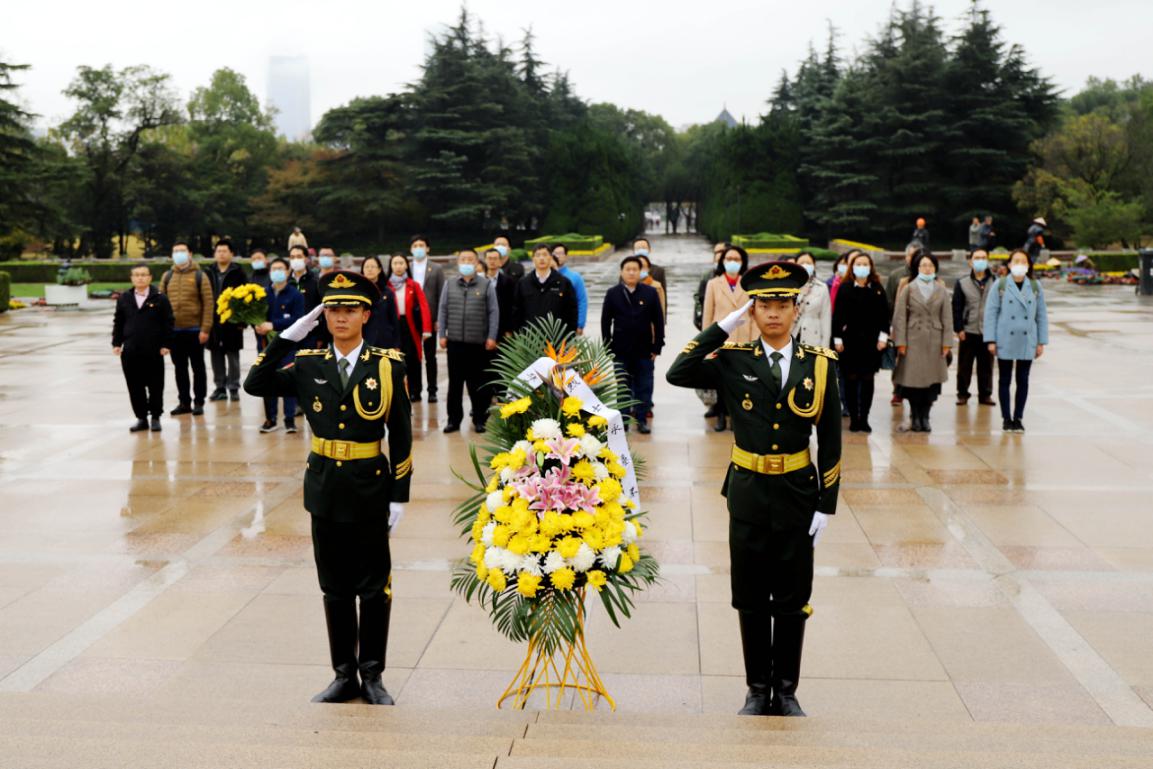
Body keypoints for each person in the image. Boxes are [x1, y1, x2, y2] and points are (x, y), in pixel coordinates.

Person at [667, 261, 841, 719]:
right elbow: (678, 371)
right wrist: (724, 325)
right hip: (747, 493)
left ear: (796, 308)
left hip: (797, 494)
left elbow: (832, 439)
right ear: (754, 309)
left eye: (782, 303)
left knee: (791, 597)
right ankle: (755, 687)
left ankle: (785, 690)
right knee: (749, 595)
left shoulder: (819, 366)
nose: (774, 313)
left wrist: (827, 503)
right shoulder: (733, 360)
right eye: (764, 304)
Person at [244, 270, 412, 706]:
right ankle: (343, 675)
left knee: (374, 587)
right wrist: (288, 335)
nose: (340, 317)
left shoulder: (387, 365)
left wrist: (399, 494)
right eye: (333, 309)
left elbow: (402, 434)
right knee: (334, 585)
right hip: (325, 487)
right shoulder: (308, 363)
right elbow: (254, 384)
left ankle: (372, 674)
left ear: (365, 314)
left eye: (349, 309)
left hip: (370, 486)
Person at [984, 250, 1049, 433]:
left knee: (1023, 380)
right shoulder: (1001, 285)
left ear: (1028, 265)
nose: (1019, 264)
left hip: (1028, 338)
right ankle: (1006, 418)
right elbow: (991, 314)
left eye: (1023, 261)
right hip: (1005, 337)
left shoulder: (1035, 286)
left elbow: (1041, 315)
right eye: (1016, 261)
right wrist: (990, 339)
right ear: (1010, 264)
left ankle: (1018, 417)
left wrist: (1041, 341)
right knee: (1004, 379)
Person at [601, 255, 665, 434]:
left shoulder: (650, 293)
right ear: (621, 272)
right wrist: (608, 347)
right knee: (622, 386)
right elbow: (606, 322)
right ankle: (623, 420)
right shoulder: (612, 293)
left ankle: (642, 419)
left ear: (641, 272)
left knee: (645, 386)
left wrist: (657, 347)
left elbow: (658, 322)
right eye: (627, 269)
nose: (631, 272)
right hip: (620, 349)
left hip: (644, 350)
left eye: (635, 269)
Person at [437, 249, 499, 434]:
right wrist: (442, 334)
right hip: (455, 342)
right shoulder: (450, 284)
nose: (466, 262)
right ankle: (453, 420)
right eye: (463, 259)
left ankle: (480, 419)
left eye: (470, 259)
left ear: (476, 262)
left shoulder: (486, 284)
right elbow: (443, 309)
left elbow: (493, 312)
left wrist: (492, 336)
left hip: (477, 343)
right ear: (458, 262)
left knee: (478, 384)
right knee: (455, 385)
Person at [892, 252, 951, 433]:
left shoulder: (941, 289)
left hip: (935, 340)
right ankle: (915, 416)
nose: (927, 268)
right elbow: (900, 317)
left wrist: (947, 343)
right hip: (913, 340)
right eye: (924, 265)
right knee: (912, 382)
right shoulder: (909, 288)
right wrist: (900, 342)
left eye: (931, 265)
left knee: (931, 384)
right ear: (917, 268)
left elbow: (947, 317)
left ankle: (925, 417)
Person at [832, 252, 890, 433]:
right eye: (859, 263)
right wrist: (837, 339)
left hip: (871, 343)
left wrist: (883, 338)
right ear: (853, 266)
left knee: (867, 379)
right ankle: (854, 418)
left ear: (871, 266)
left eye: (866, 264)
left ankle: (864, 418)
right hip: (850, 342)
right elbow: (838, 316)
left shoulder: (877, 288)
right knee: (850, 378)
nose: (862, 267)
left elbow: (884, 315)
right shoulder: (845, 288)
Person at [112, 263, 173, 432]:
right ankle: (141, 418)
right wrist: (116, 343)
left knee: (155, 385)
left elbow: (168, 322)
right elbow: (118, 322)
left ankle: (155, 417)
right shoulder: (124, 298)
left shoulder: (160, 298)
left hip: (153, 350)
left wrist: (166, 344)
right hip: (130, 350)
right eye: (137, 275)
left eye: (144, 274)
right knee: (134, 386)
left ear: (150, 278)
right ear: (132, 278)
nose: (140, 277)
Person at [702, 245, 754, 432]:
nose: (732, 262)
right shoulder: (713, 284)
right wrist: (705, 344)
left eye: (737, 259)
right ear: (722, 261)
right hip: (720, 340)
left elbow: (754, 316)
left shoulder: (749, 284)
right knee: (721, 381)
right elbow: (708, 315)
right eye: (729, 258)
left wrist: (755, 340)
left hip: (743, 339)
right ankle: (721, 416)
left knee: (740, 382)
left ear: (743, 263)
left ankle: (736, 417)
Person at [159, 241, 213, 416]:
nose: (179, 254)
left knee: (198, 367)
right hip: (175, 332)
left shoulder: (199, 275)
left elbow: (208, 303)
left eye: (182, 251)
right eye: (175, 251)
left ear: (190, 254)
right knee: (179, 368)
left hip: (195, 331)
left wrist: (205, 329)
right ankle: (184, 401)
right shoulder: (167, 276)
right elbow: (161, 305)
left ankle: (199, 401)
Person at [254, 256, 305, 433]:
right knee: (266, 381)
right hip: (265, 346)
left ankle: (289, 419)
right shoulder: (262, 294)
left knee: (287, 381)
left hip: (287, 346)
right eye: (273, 269)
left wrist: (274, 325)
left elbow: (298, 319)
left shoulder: (295, 294)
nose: (277, 272)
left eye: (280, 269)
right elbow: (257, 316)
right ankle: (270, 418)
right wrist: (258, 325)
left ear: (287, 271)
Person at [205, 239, 248, 402]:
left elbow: (246, 298)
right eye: (218, 251)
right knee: (216, 355)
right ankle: (220, 387)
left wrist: (242, 321)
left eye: (224, 251)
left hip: (233, 320)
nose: (221, 254)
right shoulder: (208, 271)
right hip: (213, 320)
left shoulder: (238, 272)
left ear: (231, 253)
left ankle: (234, 386)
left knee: (233, 355)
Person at [952, 249, 996, 406]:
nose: (980, 260)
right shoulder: (962, 282)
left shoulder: (996, 282)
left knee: (986, 366)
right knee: (965, 366)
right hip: (968, 330)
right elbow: (956, 307)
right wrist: (959, 329)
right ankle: (962, 393)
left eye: (984, 258)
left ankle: (985, 394)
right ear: (970, 261)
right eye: (977, 258)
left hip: (988, 331)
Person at [386, 254, 432, 398]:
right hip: (394, 326)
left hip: (410, 325)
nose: (398, 266)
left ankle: (415, 391)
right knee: (395, 358)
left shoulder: (413, 284)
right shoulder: (387, 285)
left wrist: (426, 329)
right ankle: (398, 390)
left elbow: (424, 306)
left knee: (413, 359)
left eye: (401, 263)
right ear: (391, 266)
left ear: (406, 265)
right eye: (395, 263)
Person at [511, 244, 578, 333]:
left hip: (556, 338)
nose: (541, 258)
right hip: (530, 339)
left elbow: (571, 311)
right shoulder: (523, 283)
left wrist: (570, 336)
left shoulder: (564, 283)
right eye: (538, 255)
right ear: (533, 259)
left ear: (551, 257)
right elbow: (517, 311)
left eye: (545, 255)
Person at [408, 235, 444, 403]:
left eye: (422, 245)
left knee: (430, 356)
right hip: (410, 317)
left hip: (430, 317)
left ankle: (432, 390)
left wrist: (438, 319)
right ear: (411, 249)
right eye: (415, 245)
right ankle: (415, 390)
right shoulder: (407, 267)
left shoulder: (436, 269)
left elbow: (441, 295)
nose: (419, 248)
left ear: (428, 248)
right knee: (413, 355)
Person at [884, 244, 919, 406]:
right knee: (898, 360)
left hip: (919, 327)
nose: (913, 259)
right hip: (899, 325)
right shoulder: (896, 275)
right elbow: (889, 300)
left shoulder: (926, 274)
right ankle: (897, 390)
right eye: (911, 256)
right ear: (906, 257)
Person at [791, 252, 832, 349]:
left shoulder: (822, 287)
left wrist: (824, 346)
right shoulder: (790, 286)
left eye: (809, 263)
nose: (805, 265)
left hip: (813, 338)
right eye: (802, 263)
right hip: (791, 334)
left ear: (814, 266)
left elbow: (825, 317)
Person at [360, 255, 400, 349]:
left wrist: (396, 344)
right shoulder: (358, 292)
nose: (369, 269)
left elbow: (394, 319)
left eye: (373, 267)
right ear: (363, 270)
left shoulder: (388, 292)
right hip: (364, 340)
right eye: (367, 267)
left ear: (379, 270)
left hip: (385, 341)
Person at [551, 244, 588, 335]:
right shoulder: (545, 277)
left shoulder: (575, 277)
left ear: (566, 256)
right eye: (555, 253)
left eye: (561, 253)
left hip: (568, 325)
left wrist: (580, 324)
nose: (558, 256)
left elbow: (582, 300)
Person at [483, 247, 517, 341]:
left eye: (495, 259)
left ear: (500, 262)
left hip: (502, 330)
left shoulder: (509, 282)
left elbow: (512, 307)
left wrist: (509, 329)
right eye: (489, 258)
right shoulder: (479, 282)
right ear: (485, 261)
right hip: (482, 329)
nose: (492, 261)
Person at [695, 242, 727, 331]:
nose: (718, 255)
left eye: (721, 251)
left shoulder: (741, 278)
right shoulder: (707, 277)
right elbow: (699, 300)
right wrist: (699, 320)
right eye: (715, 252)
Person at [636, 253, 667, 320]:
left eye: (643, 266)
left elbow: (661, 311)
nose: (640, 269)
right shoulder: (624, 288)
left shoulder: (657, 287)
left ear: (648, 269)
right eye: (638, 267)